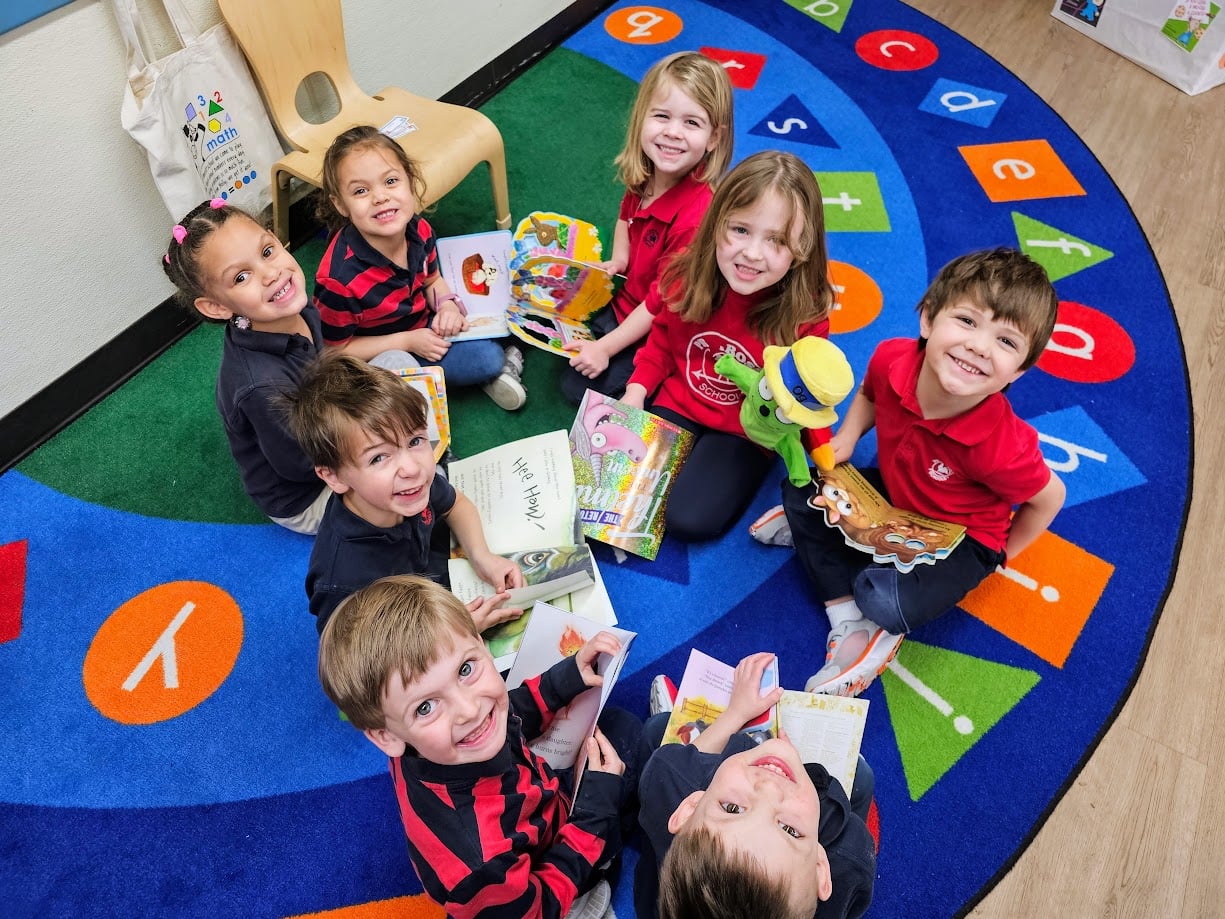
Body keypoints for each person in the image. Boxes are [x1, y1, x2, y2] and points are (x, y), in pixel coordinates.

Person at [753, 247, 1066, 697]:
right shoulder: (892, 357)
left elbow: (1049, 498)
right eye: (967, 321)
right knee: (799, 490)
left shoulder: (1002, 446)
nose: (979, 346)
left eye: (1006, 342)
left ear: (1020, 370)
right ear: (928, 320)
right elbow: (871, 393)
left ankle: (860, 604)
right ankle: (846, 623)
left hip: (960, 535)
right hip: (894, 500)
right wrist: (847, 438)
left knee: (880, 597)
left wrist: (1000, 556)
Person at [317, 574, 643, 918]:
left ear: (480, 642)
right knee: (630, 754)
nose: (470, 710)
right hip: (532, 893)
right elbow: (537, 909)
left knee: (618, 728)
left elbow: (511, 714)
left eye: (465, 669)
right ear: (387, 737)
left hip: (532, 806)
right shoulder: (479, 864)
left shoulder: (429, 741)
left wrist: (567, 677)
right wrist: (594, 817)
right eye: (426, 707)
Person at [621, 150, 834, 540]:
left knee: (689, 520)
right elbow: (664, 340)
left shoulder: (805, 316)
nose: (752, 253)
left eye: (776, 240)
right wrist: (636, 391)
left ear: (802, 248)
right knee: (620, 492)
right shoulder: (686, 271)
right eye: (740, 230)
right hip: (680, 400)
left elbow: (808, 400)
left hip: (747, 432)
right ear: (716, 223)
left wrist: (825, 463)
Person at [284, 352, 525, 636]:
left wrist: (481, 555)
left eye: (415, 441)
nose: (412, 468)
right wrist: (457, 633)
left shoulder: (410, 488)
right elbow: (354, 661)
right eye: (378, 458)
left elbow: (455, 504)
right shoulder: (343, 580)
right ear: (333, 476)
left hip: (429, 583)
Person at [636, 653, 875, 919]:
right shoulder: (849, 857)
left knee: (659, 730)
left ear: (689, 807)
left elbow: (669, 766)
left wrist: (736, 713)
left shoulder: (672, 779)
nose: (770, 788)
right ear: (821, 868)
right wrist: (800, 769)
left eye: (732, 808)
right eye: (790, 830)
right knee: (861, 780)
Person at [561, 51, 734, 406]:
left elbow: (660, 303)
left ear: (714, 138)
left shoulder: (696, 217)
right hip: (626, 302)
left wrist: (606, 348)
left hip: (659, 325)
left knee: (578, 386)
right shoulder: (647, 174)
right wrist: (619, 260)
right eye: (661, 116)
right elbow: (626, 216)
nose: (672, 133)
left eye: (691, 123)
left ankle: (658, 380)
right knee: (561, 324)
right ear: (641, 119)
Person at [313, 125, 526, 410]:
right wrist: (407, 341)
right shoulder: (338, 280)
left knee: (509, 313)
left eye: (390, 181)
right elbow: (334, 352)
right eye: (361, 190)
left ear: (410, 181)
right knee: (478, 362)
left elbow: (432, 280)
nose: (380, 197)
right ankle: (474, 379)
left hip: (424, 332)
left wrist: (448, 305)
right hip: (382, 357)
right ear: (340, 204)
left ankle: (480, 372)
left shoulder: (419, 228)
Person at [161, 198, 329, 535]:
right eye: (241, 277)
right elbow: (299, 466)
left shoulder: (294, 309)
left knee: (394, 366)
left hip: (327, 419)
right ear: (216, 306)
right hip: (308, 496)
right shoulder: (260, 386)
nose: (271, 274)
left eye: (267, 252)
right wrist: (371, 444)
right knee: (400, 485)